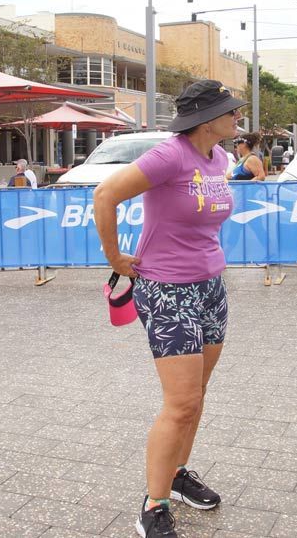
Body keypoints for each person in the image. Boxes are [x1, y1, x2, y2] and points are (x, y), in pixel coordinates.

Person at [93, 80, 244, 538]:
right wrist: (116, 257)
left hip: (210, 287)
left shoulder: (220, 157)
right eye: (230, 111)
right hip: (167, 290)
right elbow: (105, 195)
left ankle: (177, 475)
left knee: (195, 397)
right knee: (180, 404)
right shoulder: (169, 155)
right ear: (205, 118)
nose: (238, 116)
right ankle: (152, 504)